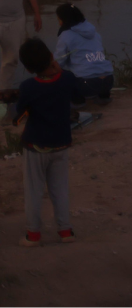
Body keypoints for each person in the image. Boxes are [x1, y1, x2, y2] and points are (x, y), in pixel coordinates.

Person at [13, 38, 77, 246]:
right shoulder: (66, 79)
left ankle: (33, 235)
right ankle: (65, 231)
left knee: (34, 191)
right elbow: (77, 93)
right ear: (51, 57)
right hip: (61, 145)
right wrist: (60, 71)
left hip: (35, 147)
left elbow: (19, 112)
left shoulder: (28, 87)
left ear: (28, 68)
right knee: (60, 189)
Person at [52, 4, 114, 108]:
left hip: (88, 84)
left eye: (59, 19)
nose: (59, 23)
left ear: (64, 19)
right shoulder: (94, 33)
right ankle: (103, 96)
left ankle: (78, 100)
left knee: (59, 72)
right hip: (109, 80)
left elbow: (58, 63)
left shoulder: (66, 35)